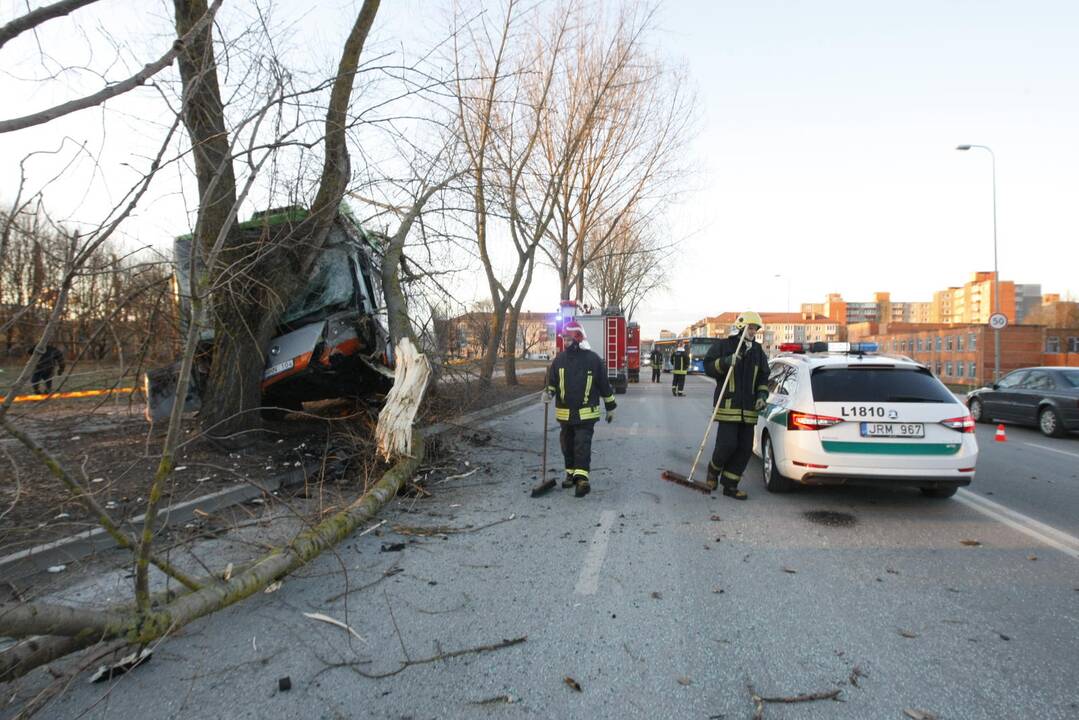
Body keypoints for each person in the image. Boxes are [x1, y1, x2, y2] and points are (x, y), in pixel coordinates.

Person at [545, 320, 617, 498]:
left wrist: (610, 407)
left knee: (582, 444)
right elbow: (553, 382)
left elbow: (604, 386)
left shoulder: (593, 360)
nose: (565, 342)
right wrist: (548, 393)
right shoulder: (559, 360)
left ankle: (582, 479)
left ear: (578, 338)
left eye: (568, 339)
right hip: (565, 413)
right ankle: (570, 473)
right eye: (564, 339)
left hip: (586, 414)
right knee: (566, 445)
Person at [703, 312, 770, 499]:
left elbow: (764, 376)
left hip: (749, 409)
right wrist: (725, 362)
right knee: (727, 444)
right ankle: (712, 471)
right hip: (728, 405)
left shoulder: (758, 352)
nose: (752, 331)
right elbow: (708, 366)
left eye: (755, 328)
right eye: (749, 327)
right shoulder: (724, 346)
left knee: (744, 449)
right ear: (740, 326)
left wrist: (762, 395)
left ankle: (730, 485)